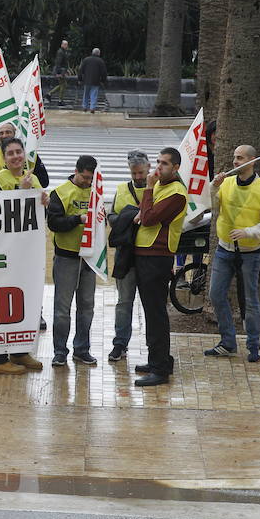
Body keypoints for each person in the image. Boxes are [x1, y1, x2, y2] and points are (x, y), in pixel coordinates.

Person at [207, 145, 260, 362]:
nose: (235, 162)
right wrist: (213, 188)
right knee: (216, 295)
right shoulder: (226, 183)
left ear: (252, 160)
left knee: (251, 300)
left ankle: (253, 346)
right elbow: (212, 207)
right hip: (224, 249)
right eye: (234, 158)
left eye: (240, 158)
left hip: (250, 253)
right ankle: (228, 342)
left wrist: (249, 231)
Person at [0, 138, 50, 374]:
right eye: (10, 153)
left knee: (23, 301)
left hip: (24, 255)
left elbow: (37, 215)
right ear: (4, 158)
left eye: (18, 152)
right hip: (2, 254)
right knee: (0, 302)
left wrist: (44, 202)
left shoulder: (34, 179)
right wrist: (21, 192)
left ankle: (20, 351)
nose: (15, 156)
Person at [130, 148, 187, 386]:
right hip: (145, 254)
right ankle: (159, 359)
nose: (158, 167)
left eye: (164, 163)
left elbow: (150, 218)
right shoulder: (163, 187)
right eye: (158, 162)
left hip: (157, 256)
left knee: (156, 315)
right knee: (151, 312)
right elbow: (146, 213)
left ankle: (160, 369)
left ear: (175, 168)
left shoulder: (176, 193)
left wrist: (149, 190)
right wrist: (147, 204)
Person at [47, 155, 98, 366]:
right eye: (85, 177)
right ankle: (60, 351)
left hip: (89, 258)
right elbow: (53, 223)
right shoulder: (60, 193)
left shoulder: (96, 193)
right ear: (76, 171)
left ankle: (82, 349)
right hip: (66, 257)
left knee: (87, 306)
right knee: (62, 309)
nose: (87, 182)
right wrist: (78, 219)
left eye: (91, 178)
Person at [107, 150, 150, 362]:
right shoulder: (122, 189)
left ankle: (155, 345)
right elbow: (111, 216)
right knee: (124, 302)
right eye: (134, 174)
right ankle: (120, 344)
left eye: (141, 173)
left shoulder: (158, 189)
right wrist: (130, 216)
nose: (138, 178)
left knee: (152, 303)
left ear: (149, 168)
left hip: (150, 255)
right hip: (126, 254)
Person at [0, 122, 49, 189]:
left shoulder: (31, 156)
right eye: (1, 133)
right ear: (4, 158)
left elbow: (44, 183)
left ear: (15, 133)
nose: (4, 136)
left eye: (8, 132)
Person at [77, 48, 107, 114]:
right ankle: (92, 108)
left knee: (86, 94)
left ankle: (85, 107)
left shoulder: (86, 59)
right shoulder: (100, 61)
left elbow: (80, 70)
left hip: (86, 80)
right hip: (96, 81)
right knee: (94, 94)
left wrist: (79, 79)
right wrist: (103, 81)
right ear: (98, 53)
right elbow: (104, 72)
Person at [47, 39, 70, 105]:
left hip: (62, 70)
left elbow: (64, 63)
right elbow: (58, 63)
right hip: (60, 71)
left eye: (67, 45)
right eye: (65, 44)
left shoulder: (63, 51)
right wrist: (58, 73)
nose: (66, 46)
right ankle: (60, 100)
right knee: (63, 85)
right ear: (62, 45)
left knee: (63, 85)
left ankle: (49, 94)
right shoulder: (61, 52)